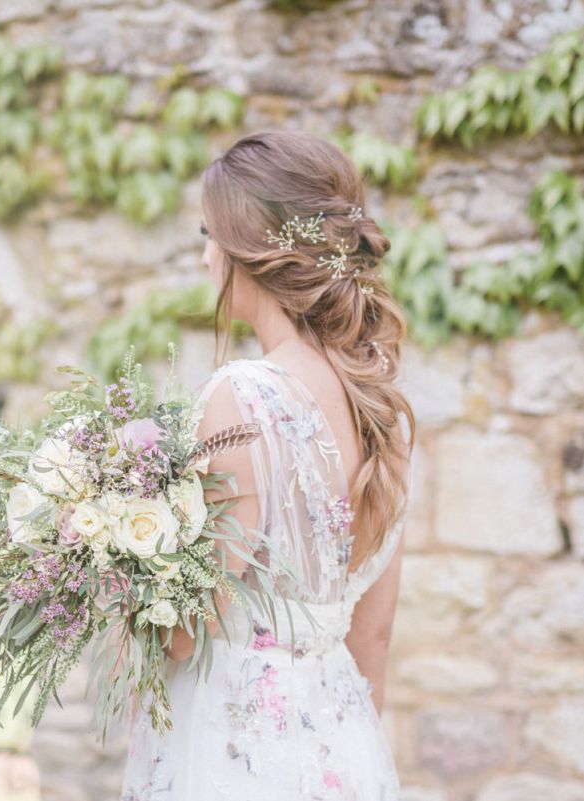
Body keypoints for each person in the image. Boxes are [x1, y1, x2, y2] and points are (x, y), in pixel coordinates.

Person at [119, 130, 416, 800]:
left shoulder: (240, 398)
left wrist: (112, 568)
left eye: (209, 235)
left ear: (250, 249)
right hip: (340, 735)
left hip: (234, 746)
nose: (203, 259)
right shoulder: (382, 412)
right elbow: (374, 632)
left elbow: (186, 636)